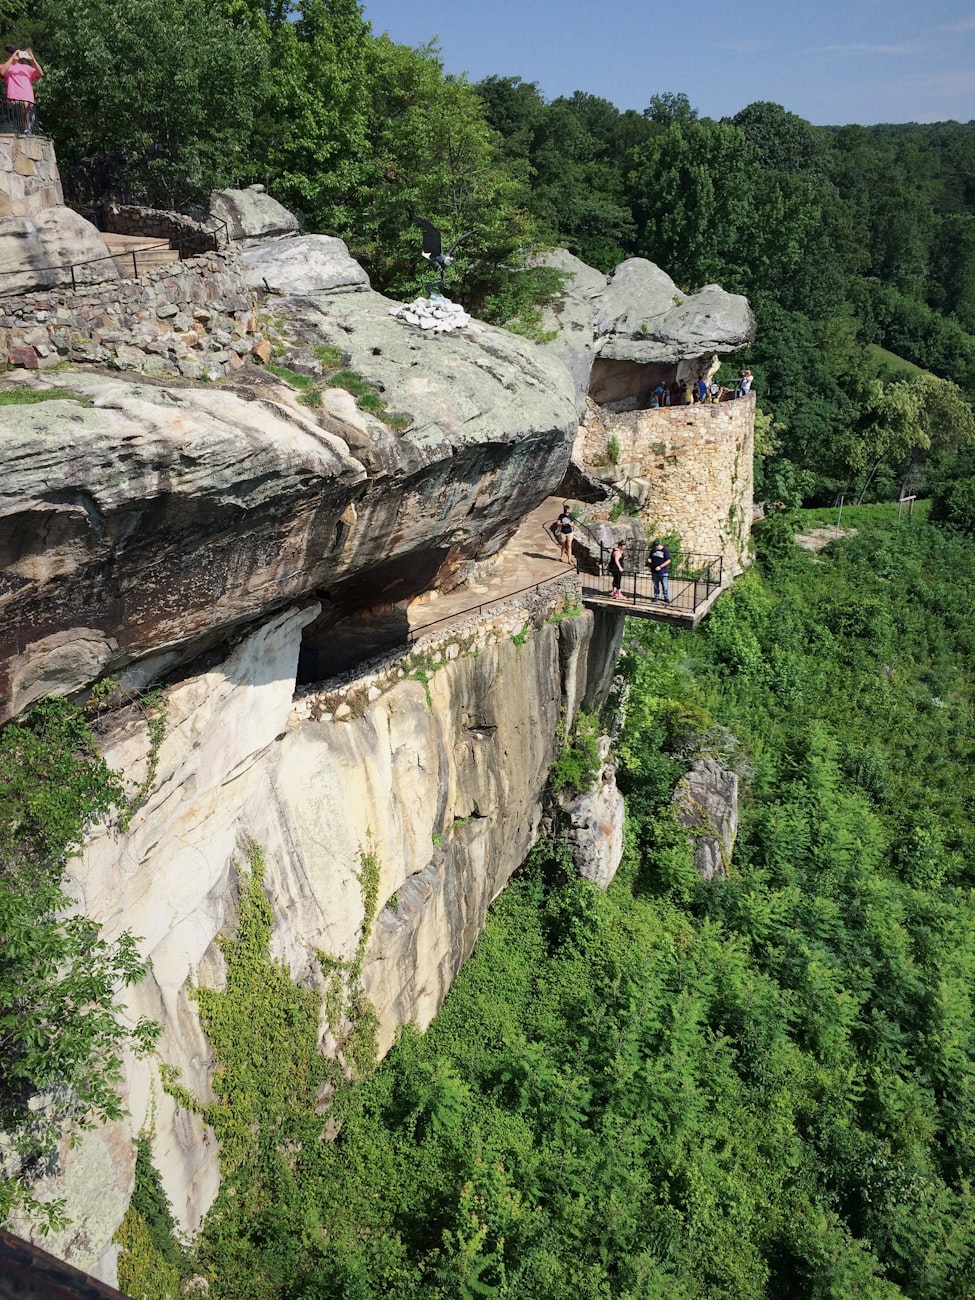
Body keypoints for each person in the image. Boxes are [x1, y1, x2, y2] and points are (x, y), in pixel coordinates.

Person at [1, 46, 42, 134]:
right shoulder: (5, 66)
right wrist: (12, 57)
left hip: (29, 101)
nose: (14, 53)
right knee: (24, 105)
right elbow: (2, 72)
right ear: (7, 54)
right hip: (15, 99)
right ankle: (26, 128)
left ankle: (26, 130)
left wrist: (32, 58)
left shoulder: (26, 67)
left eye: (15, 51)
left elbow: (40, 73)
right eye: (11, 52)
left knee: (27, 114)